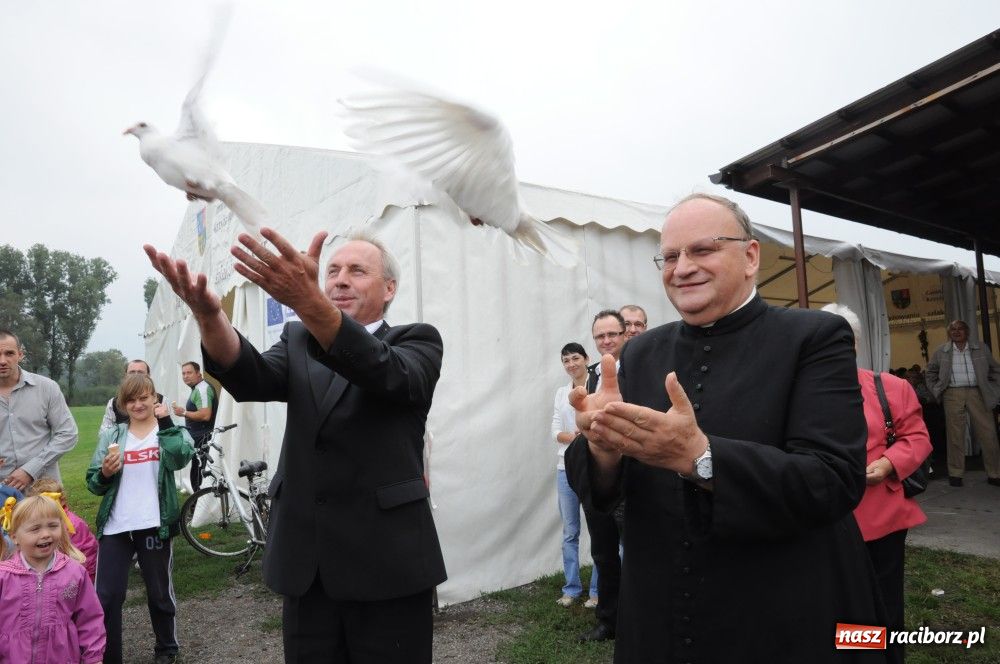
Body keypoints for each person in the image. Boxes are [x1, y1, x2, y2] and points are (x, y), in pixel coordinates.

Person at [566, 193, 885, 662]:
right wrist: (604, 447)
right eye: (670, 256)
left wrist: (700, 457)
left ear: (750, 256)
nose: (683, 267)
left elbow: (833, 480)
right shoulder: (640, 353)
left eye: (703, 250)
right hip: (660, 613)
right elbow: (605, 490)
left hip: (777, 611)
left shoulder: (813, 337)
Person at [144, 227, 446, 664]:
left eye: (357, 271)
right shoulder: (298, 340)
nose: (340, 279)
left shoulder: (417, 340)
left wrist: (308, 301)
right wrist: (209, 316)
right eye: (334, 270)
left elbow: (383, 371)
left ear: (389, 288)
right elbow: (250, 377)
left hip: (387, 562)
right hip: (309, 565)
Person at [824, 304, 932, 664]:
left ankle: (881, 657)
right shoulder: (798, 389)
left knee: (882, 602)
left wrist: (888, 463)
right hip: (821, 519)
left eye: (841, 341)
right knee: (834, 600)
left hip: (879, 518)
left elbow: (916, 437)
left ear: (854, 344)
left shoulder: (891, 387)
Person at [86, 373, 194, 664]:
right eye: (131, 400)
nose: (137, 405)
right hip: (116, 526)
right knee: (107, 596)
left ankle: (167, 649)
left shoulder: (168, 429)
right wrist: (105, 473)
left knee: (159, 592)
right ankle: (108, 656)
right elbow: (93, 483)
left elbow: (182, 457)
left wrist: (168, 423)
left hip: (153, 525)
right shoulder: (113, 436)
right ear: (123, 404)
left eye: (143, 398)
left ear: (154, 397)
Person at [0, 495, 106, 663]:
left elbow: (89, 618)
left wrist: (94, 657)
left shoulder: (75, 572)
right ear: (14, 537)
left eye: (53, 526)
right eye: (35, 529)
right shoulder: (3, 576)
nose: (46, 534)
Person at [579, 309, 627, 643]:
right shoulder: (592, 374)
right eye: (600, 336)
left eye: (612, 334)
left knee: (639, 550)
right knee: (604, 552)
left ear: (624, 335)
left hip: (632, 475)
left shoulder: (644, 368)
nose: (606, 340)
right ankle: (608, 620)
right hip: (598, 476)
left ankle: (642, 616)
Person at [0, 329, 79, 492]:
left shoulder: (46, 388)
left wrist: (32, 468)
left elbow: (67, 433)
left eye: (9, 353)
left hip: (42, 489)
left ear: (20, 355)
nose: (3, 360)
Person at [551, 342, 599, 608]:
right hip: (565, 467)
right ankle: (571, 588)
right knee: (570, 531)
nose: (571, 364)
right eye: (566, 360)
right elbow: (554, 430)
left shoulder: (598, 387)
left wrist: (576, 437)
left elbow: (597, 425)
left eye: (575, 358)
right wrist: (577, 437)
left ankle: (596, 590)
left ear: (586, 359)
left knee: (598, 530)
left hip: (592, 466)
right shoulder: (560, 392)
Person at [925, 320, 1000, 487]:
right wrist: (937, 390)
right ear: (948, 333)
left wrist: (994, 391)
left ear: (967, 331)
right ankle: (955, 473)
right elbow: (930, 372)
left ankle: (995, 473)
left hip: (977, 392)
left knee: (988, 434)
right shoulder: (941, 351)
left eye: (960, 329)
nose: (956, 332)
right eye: (953, 329)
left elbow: (996, 370)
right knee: (955, 435)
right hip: (952, 393)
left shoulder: (980, 348)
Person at [29, 476, 100, 583]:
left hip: (80, 573)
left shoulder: (72, 525)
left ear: (62, 500)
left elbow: (81, 554)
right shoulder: (39, 523)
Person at [171, 361, 218, 491]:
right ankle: (197, 508)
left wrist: (184, 413)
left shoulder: (202, 389)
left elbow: (205, 415)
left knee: (199, 477)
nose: (185, 376)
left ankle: (197, 509)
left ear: (199, 374)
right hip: (199, 441)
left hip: (204, 440)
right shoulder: (197, 389)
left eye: (189, 373)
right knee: (197, 475)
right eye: (183, 373)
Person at [98, 359, 174, 433]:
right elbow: (104, 431)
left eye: (140, 372)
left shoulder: (163, 400)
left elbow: (173, 428)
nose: (136, 375)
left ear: (148, 375)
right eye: (132, 372)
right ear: (126, 375)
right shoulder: (113, 403)